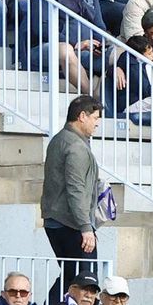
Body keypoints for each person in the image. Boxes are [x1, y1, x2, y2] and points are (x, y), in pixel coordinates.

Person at [41, 95, 105, 284]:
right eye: (95, 118)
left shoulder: (60, 139)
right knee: (86, 281)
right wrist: (86, 227)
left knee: (71, 279)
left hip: (58, 220)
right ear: (82, 116)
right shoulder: (75, 146)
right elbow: (75, 189)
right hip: (70, 223)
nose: (97, 123)